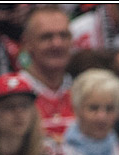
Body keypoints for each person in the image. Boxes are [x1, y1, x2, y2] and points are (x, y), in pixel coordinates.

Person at [15, 6, 75, 141]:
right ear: (27, 43)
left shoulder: (84, 91)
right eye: (47, 37)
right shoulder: (13, 93)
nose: (57, 43)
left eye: (64, 36)